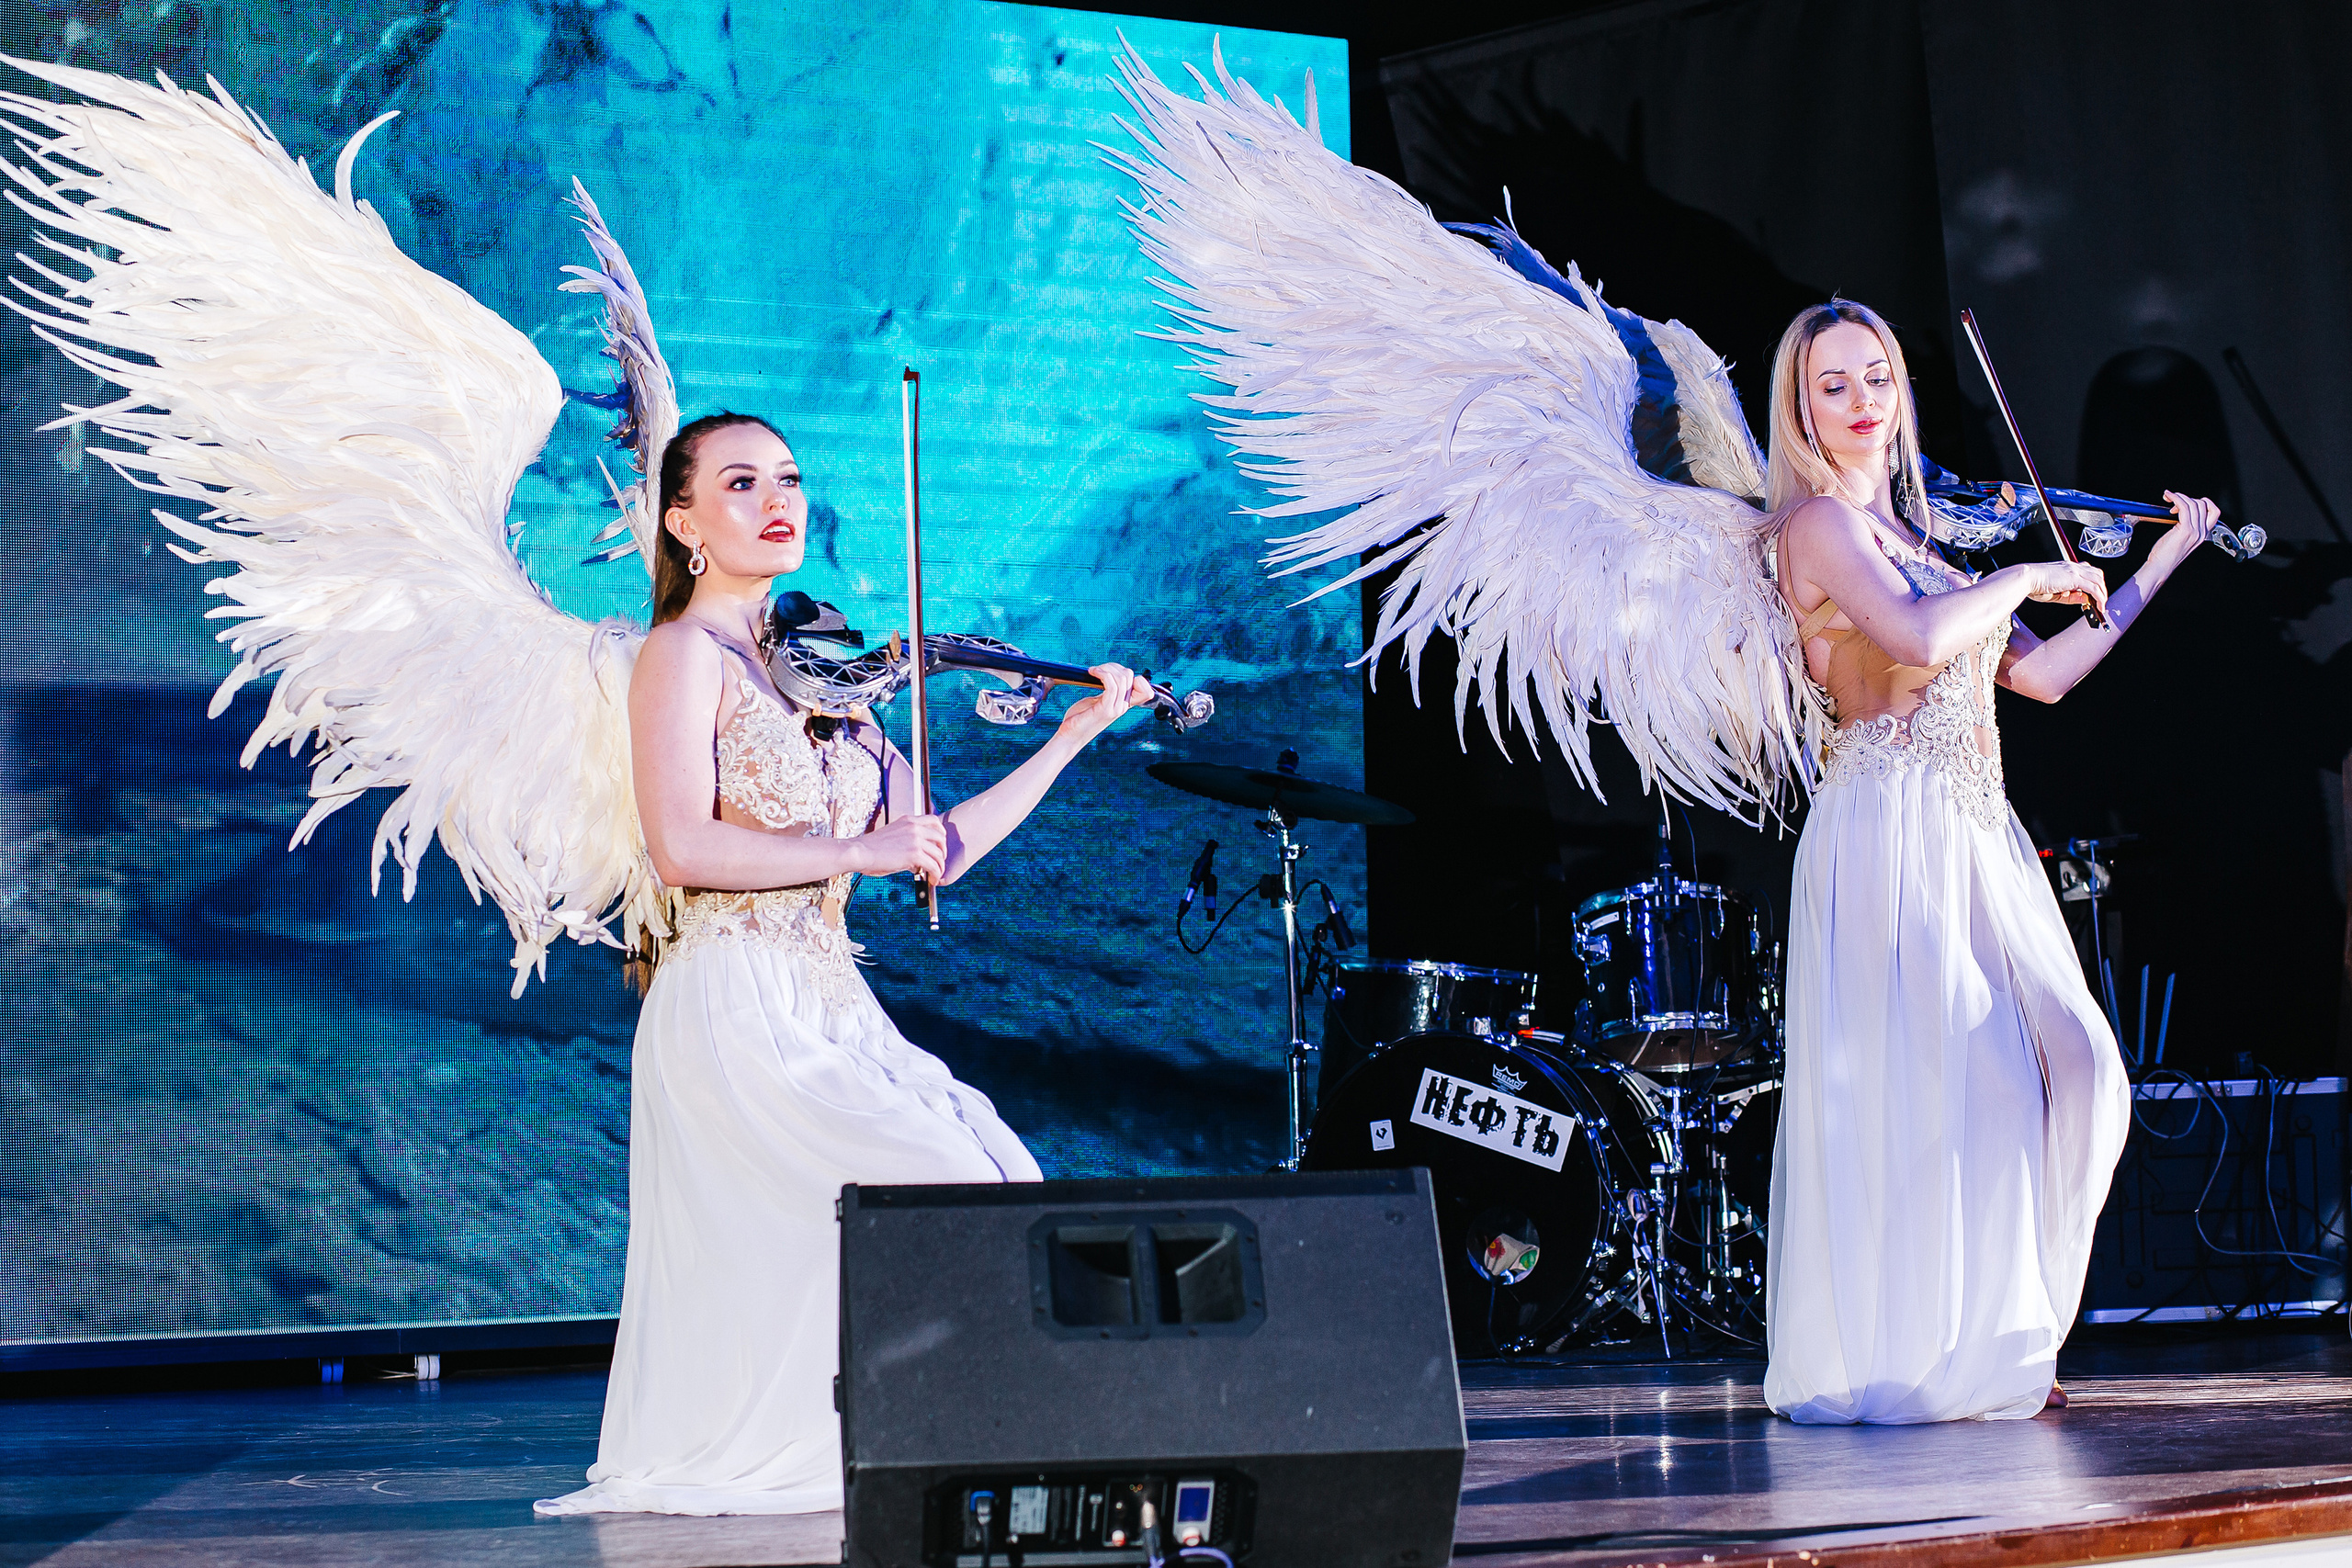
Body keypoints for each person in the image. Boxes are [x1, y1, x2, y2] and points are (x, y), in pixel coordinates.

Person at [537, 412, 1152, 1514]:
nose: (777, 499)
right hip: (731, 1000)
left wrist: (1069, 736)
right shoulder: (681, 656)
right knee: (944, 1190)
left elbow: (940, 851)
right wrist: (852, 850)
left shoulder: (826, 678)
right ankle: (909, 1448)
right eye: (739, 482)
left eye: (788, 477)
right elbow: (682, 846)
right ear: (683, 524)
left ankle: (931, 1446)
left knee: (1004, 1179)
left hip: (829, 1002)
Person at [1759, 301, 2221, 1424]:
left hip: (1974, 830)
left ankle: (2014, 1339)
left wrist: (2157, 565)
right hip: (1886, 828)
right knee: (1952, 1107)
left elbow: (2046, 678)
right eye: (1835, 385)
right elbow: (1919, 644)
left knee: (2087, 1080)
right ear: (1802, 408)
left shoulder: (1920, 543)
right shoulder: (1817, 528)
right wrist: (2021, 579)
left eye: (1878, 377)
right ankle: (1966, 1358)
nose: (1865, 402)